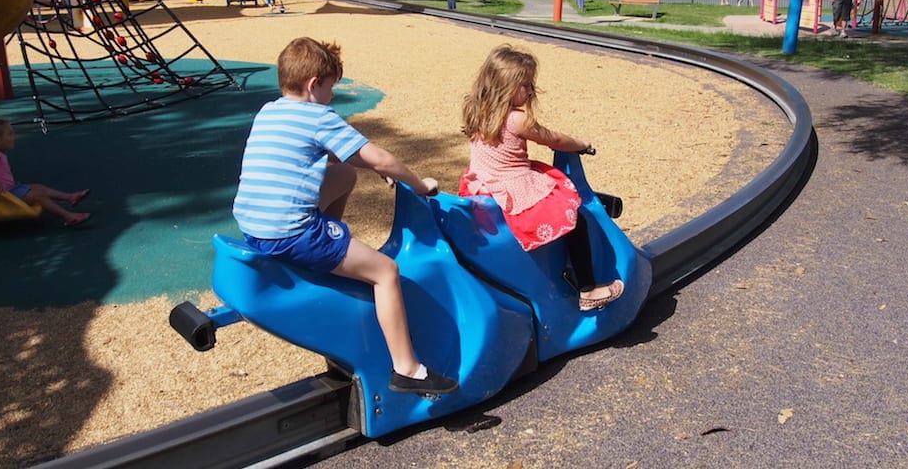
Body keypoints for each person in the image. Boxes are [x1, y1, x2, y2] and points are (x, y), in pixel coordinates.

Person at [232, 37, 458, 396]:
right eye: (330, 88)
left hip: (254, 226)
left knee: (344, 175)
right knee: (386, 272)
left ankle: (329, 243)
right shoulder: (317, 115)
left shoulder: (270, 110)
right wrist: (417, 183)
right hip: (291, 233)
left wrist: (365, 165)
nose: (332, 97)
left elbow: (332, 157)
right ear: (313, 85)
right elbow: (381, 158)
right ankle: (408, 369)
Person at [459, 44, 624, 312]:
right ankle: (588, 289)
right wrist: (581, 143)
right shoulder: (517, 119)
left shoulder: (475, 109)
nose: (531, 91)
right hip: (513, 187)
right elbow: (554, 139)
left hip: (482, 186)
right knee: (574, 219)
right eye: (525, 85)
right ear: (504, 86)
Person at [0, 118, 90, 226]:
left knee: (39, 187)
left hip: (13, 188)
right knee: (39, 196)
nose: (14, 137)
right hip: (7, 194)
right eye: (10, 134)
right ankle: (68, 216)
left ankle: (69, 197)